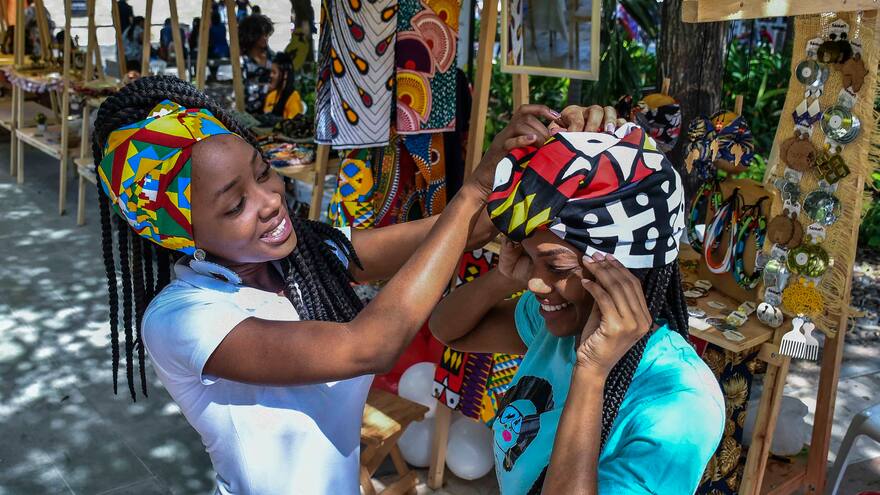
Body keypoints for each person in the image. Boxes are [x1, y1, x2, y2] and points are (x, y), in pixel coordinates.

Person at [93, 74, 578, 493]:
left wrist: (520, 165)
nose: (269, 201)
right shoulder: (185, 317)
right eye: (234, 204)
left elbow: (459, 232)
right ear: (182, 233)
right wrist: (472, 191)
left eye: (264, 173)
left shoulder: (308, 257)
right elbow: (370, 345)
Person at [430, 106, 726, 494]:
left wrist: (591, 375)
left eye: (556, 266)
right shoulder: (557, 325)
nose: (536, 284)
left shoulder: (680, 404)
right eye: (529, 256)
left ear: (628, 268)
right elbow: (449, 330)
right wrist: (504, 278)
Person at [238, 14, 274, 114]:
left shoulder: (272, 58)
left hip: (271, 110)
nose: (265, 37)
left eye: (266, 34)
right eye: (261, 34)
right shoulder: (242, 61)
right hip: (249, 113)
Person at [262, 51, 304, 119]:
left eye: (274, 72)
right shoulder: (271, 96)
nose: (270, 75)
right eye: (270, 72)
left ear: (285, 75)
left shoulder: (293, 98)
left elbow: (294, 126)